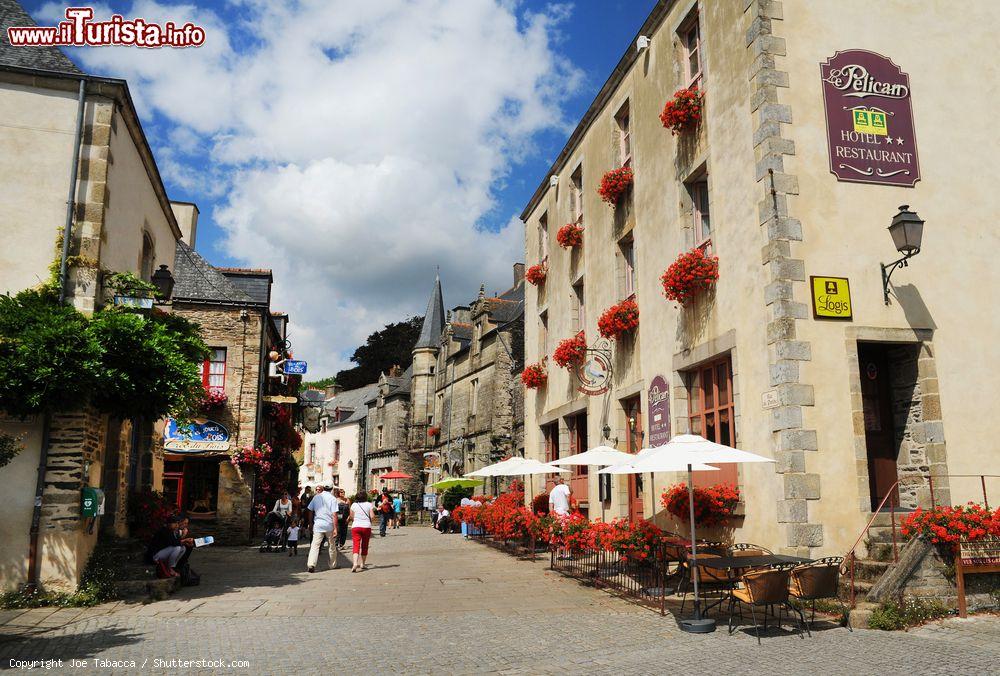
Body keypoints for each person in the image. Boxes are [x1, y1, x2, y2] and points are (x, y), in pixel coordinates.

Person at [305, 485, 339, 572]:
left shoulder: (316, 497)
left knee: (315, 545)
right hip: (329, 525)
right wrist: (335, 528)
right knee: (332, 545)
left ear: (323, 488)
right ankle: (332, 564)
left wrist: (310, 523)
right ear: (331, 489)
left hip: (318, 524)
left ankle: (311, 564)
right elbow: (334, 514)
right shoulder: (333, 498)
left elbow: (310, 510)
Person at [348, 490, 375, 573]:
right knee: (365, 545)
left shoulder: (354, 505)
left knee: (356, 545)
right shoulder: (369, 505)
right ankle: (362, 564)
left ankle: (355, 563)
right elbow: (372, 516)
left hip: (356, 526)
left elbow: (351, 516)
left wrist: (356, 520)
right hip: (366, 526)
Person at [549, 476, 572, 560]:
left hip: (556, 515)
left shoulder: (552, 491)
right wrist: (569, 508)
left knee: (558, 534)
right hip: (564, 513)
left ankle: (558, 554)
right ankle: (567, 554)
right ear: (561, 481)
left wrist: (552, 515)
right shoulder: (565, 487)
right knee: (566, 533)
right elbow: (568, 497)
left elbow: (550, 506)